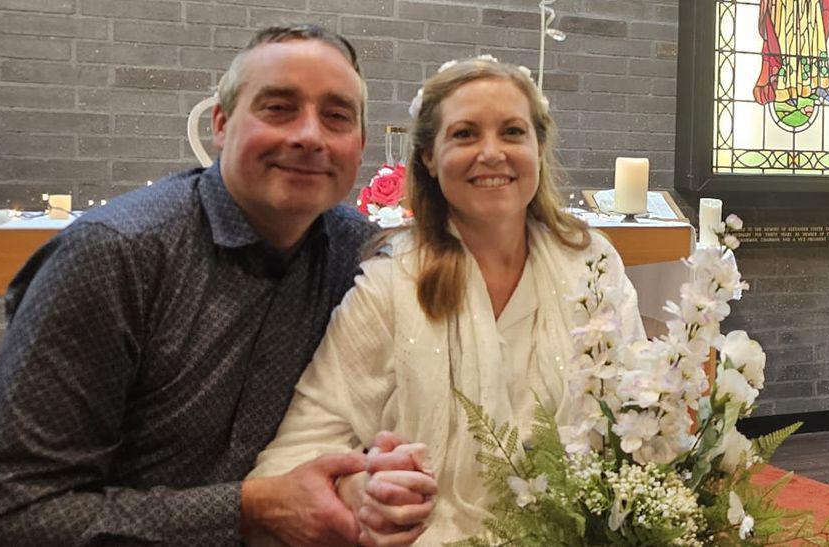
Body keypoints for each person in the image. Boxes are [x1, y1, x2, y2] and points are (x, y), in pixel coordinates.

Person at [0, 24, 412, 547]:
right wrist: (248, 509)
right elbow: (1, 521)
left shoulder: (358, 255)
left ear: (360, 144)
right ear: (221, 123)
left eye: (336, 116)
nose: (309, 135)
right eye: (278, 108)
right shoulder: (114, 256)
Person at [247, 57, 645, 545]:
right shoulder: (392, 284)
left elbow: (640, 415)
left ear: (539, 147)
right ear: (429, 159)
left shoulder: (593, 264)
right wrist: (361, 490)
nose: (492, 153)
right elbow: (298, 450)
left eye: (513, 132)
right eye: (464, 134)